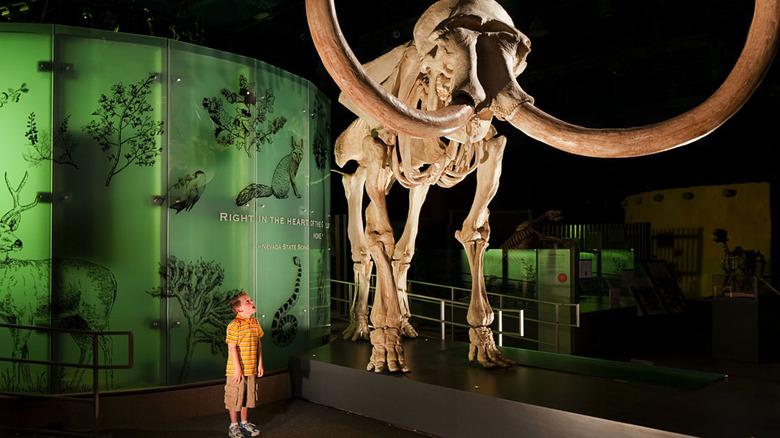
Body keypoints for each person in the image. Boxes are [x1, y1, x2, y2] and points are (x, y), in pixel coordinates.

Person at [225, 290, 264, 437]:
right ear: (239, 309)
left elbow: (258, 342)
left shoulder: (255, 322)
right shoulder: (234, 325)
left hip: (251, 368)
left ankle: (244, 422)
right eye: (247, 301)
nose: (251, 302)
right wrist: (237, 370)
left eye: (251, 300)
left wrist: (259, 364)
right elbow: (232, 347)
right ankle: (233, 425)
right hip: (236, 371)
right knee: (235, 396)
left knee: (247, 396)